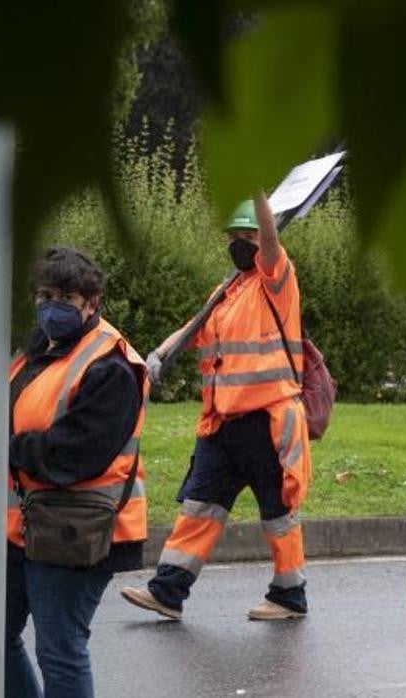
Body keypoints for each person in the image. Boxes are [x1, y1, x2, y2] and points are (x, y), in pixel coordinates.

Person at [122, 193, 313, 621]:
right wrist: (156, 356)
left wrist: (259, 194)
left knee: (278, 515)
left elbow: (269, 239)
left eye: (247, 235)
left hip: (266, 420)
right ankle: (167, 591)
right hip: (221, 423)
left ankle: (289, 596)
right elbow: (195, 327)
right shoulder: (228, 290)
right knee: (200, 505)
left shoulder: (276, 280)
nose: (240, 243)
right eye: (234, 237)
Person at [7, 247, 149, 697]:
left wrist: (6, 450)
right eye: (44, 294)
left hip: (77, 529)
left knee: (60, 648)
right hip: (22, 527)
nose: (52, 306)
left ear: (92, 302)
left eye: (65, 297)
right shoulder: (34, 352)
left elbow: (73, 456)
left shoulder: (112, 365)